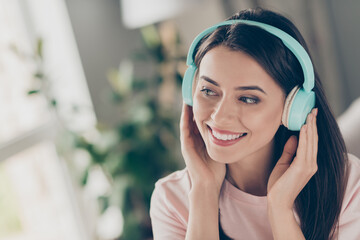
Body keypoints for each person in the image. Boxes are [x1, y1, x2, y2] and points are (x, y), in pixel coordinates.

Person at [150, 8, 360, 240]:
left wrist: (280, 209)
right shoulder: (170, 199)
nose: (219, 117)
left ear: (294, 107)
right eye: (208, 90)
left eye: (248, 98)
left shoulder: (348, 186)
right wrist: (204, 192)